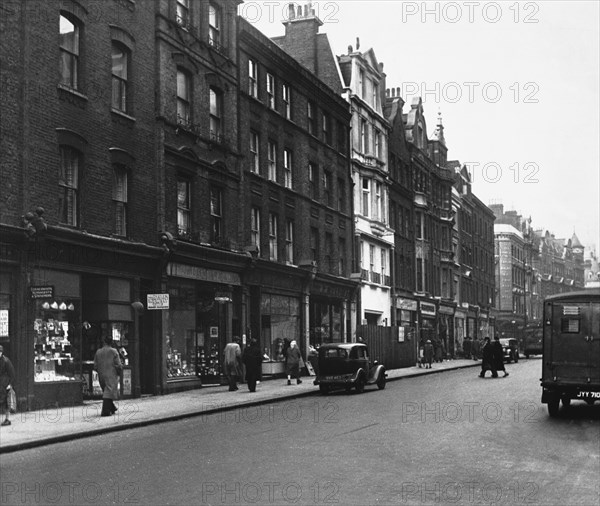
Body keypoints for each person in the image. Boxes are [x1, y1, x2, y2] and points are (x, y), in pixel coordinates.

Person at [93, 336, 123, 416]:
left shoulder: (98, 352)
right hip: (111, 374)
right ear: (111, 343)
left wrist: (99, 370)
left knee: (107, 391)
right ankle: (105, 411)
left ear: (104, 342)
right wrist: (118, 371)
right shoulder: (113, 351)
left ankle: (112, 407)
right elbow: (118, 365)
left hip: (101, 375)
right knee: (108, 392)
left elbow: (95, 366)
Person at [0, 345, 16, 426]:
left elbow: (12, 374)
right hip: (1, 384)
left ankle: (7, 419)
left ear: (1, 352)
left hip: (5, 384)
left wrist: (10, 384)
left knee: (6, 403)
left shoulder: (6, 361)